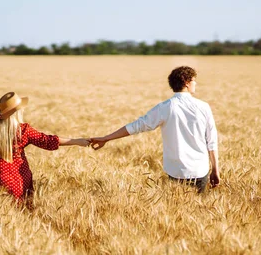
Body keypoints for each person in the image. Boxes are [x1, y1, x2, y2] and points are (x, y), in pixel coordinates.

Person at [90, 66, 220, 193]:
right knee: (197, 209)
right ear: (186, 82)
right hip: (199, 169)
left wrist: (107, 138)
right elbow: (211, 141)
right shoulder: (204, 107)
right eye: (193, 80)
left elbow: (136, 126)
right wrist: (215, 169)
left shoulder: (164, 107)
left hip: (175, 170)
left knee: (174, 210)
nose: (195, 83)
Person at [0, 92, 90, 203]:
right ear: (17, 113)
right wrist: (76, 141)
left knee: (0, 213)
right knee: (23, 211)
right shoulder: (24, 130)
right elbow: (47, 141)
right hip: (20, 177)